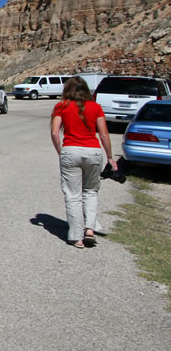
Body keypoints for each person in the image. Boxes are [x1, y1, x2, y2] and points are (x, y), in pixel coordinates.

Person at [50, 76, 117, 248]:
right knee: (91, 191)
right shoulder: (95, 107)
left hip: (71, 150)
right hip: (93, 151)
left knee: (73, 195)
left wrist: (61, 151)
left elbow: (55, 133)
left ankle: (76, 237)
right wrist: (110, 157)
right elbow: (103, 134)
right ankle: (89, 230)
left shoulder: (61, 106)